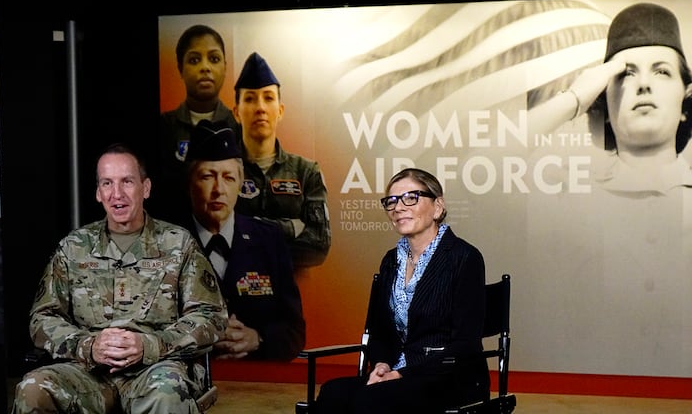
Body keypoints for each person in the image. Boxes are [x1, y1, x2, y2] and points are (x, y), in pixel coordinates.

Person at [523, 2, 692, 377]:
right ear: (606, 104)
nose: (643, 83)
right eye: (624, 75)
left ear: (684, 102)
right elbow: (484, 160)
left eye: (662, 72)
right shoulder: (565, 193)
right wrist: (576, 97)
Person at [11, 143, 229, 414]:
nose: (117, 194)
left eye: (127, 182)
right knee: (33, 388)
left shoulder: (178, 244)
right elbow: (42, 319)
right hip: (87, 373)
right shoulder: (73, 248)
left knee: (167, 392)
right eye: (107, 183)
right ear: (98, 193)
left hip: (155, 370)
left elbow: (212, 317)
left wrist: (150, 345)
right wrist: (88, 346)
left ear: (145, 188)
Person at [314, 168, 489, 413]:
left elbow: (465, 344)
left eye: (411, 197)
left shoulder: (464, 258)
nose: (398, 207)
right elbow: (381, 333)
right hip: (397, 371)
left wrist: (402, 374)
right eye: (392, 201)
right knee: (333, 393)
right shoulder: (390, 261)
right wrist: (383, 364)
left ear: (437, 206)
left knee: (371, 401)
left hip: (447, 376)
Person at [184, 123, 305, 361]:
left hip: (257, 385)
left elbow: (295, 332)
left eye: (228, 177)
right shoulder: (169, 241)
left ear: (240, 183)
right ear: (190, 182)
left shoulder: (269, 240)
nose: (218, 189)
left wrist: (258, 338)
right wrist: (203, 339)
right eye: (207, 177)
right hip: (187, 384)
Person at [232, 52, 331, 269]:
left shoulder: (306, 172)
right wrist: (288, 228)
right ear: (236, 113)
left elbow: (318, 246)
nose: (260, 108)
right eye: (249, 98)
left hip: (291, 295)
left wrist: (251, 235)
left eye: (268, 98)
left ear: (280, 110)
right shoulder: (224, 172)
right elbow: (217, 237)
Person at [153, 24, 241, 226]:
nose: (205, 67)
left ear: (225, 67)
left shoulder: (238, 128)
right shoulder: (163, 127)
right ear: (180, 68)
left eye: (214, 59)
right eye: (194, 60)